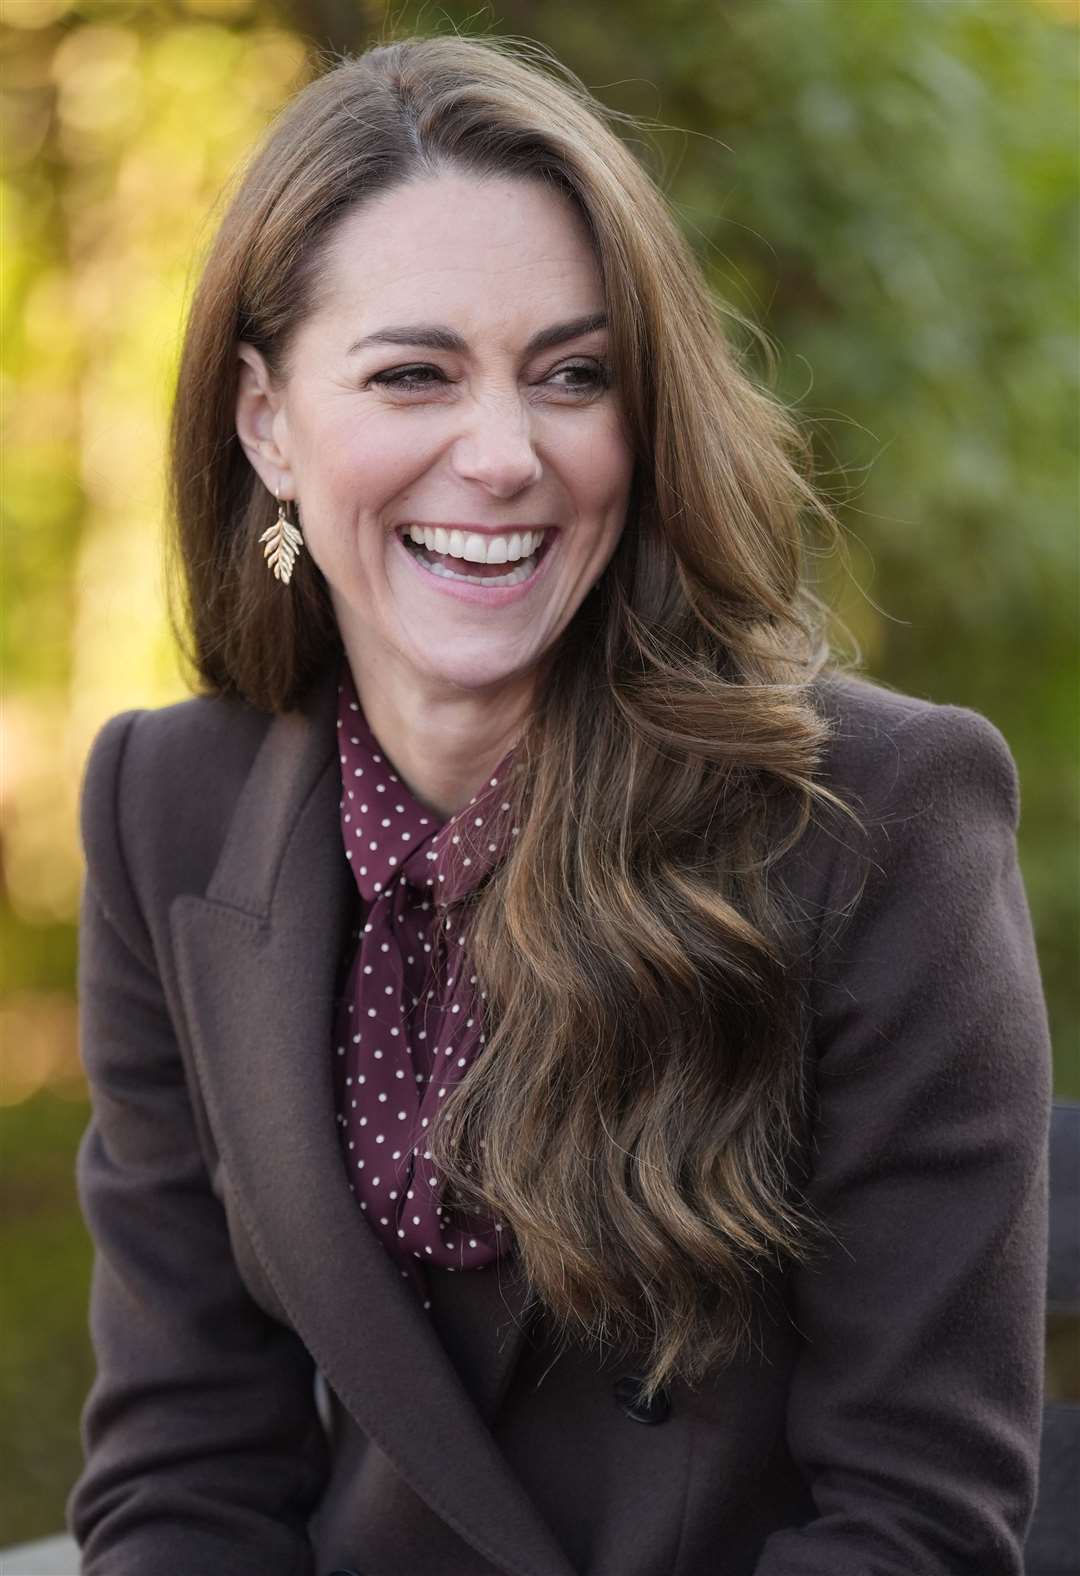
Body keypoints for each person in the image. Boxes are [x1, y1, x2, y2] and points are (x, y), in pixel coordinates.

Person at [67, 32, 1052, 1576]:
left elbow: (914, 1520)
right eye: (413, 374)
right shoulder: (165, 806)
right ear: (266, 422)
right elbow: (188, 1467)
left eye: (573, 377)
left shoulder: (879, 816)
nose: (507, 456)